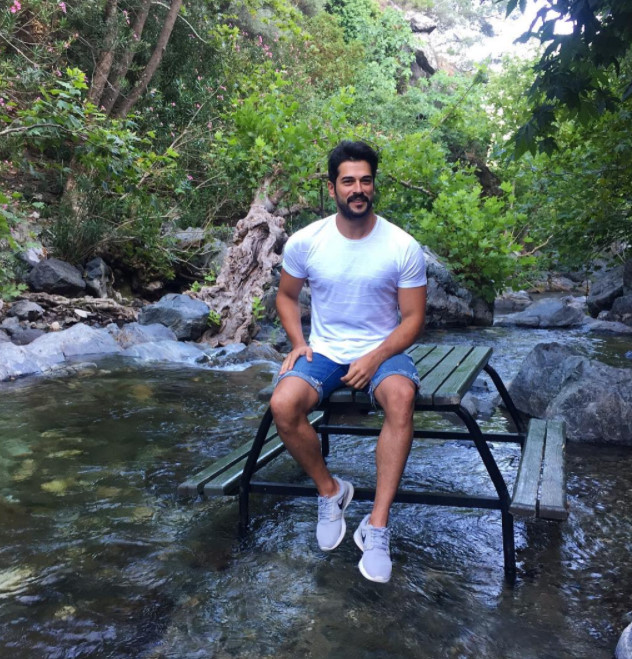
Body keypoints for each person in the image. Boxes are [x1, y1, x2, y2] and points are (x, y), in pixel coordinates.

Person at [270, 140, 427, 583]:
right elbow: (286, 296)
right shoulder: (307, 241)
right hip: (324, 351)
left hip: (384, 350)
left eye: (365, 180)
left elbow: (414, 320)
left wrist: (375, 357)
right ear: (332, 187)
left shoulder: (401, 245)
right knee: (282, 404)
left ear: (374, 185)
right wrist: (298, 342)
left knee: (401, 398)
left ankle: (376, 526)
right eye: (348, 181)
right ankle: (331, 491)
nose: (358, 189)